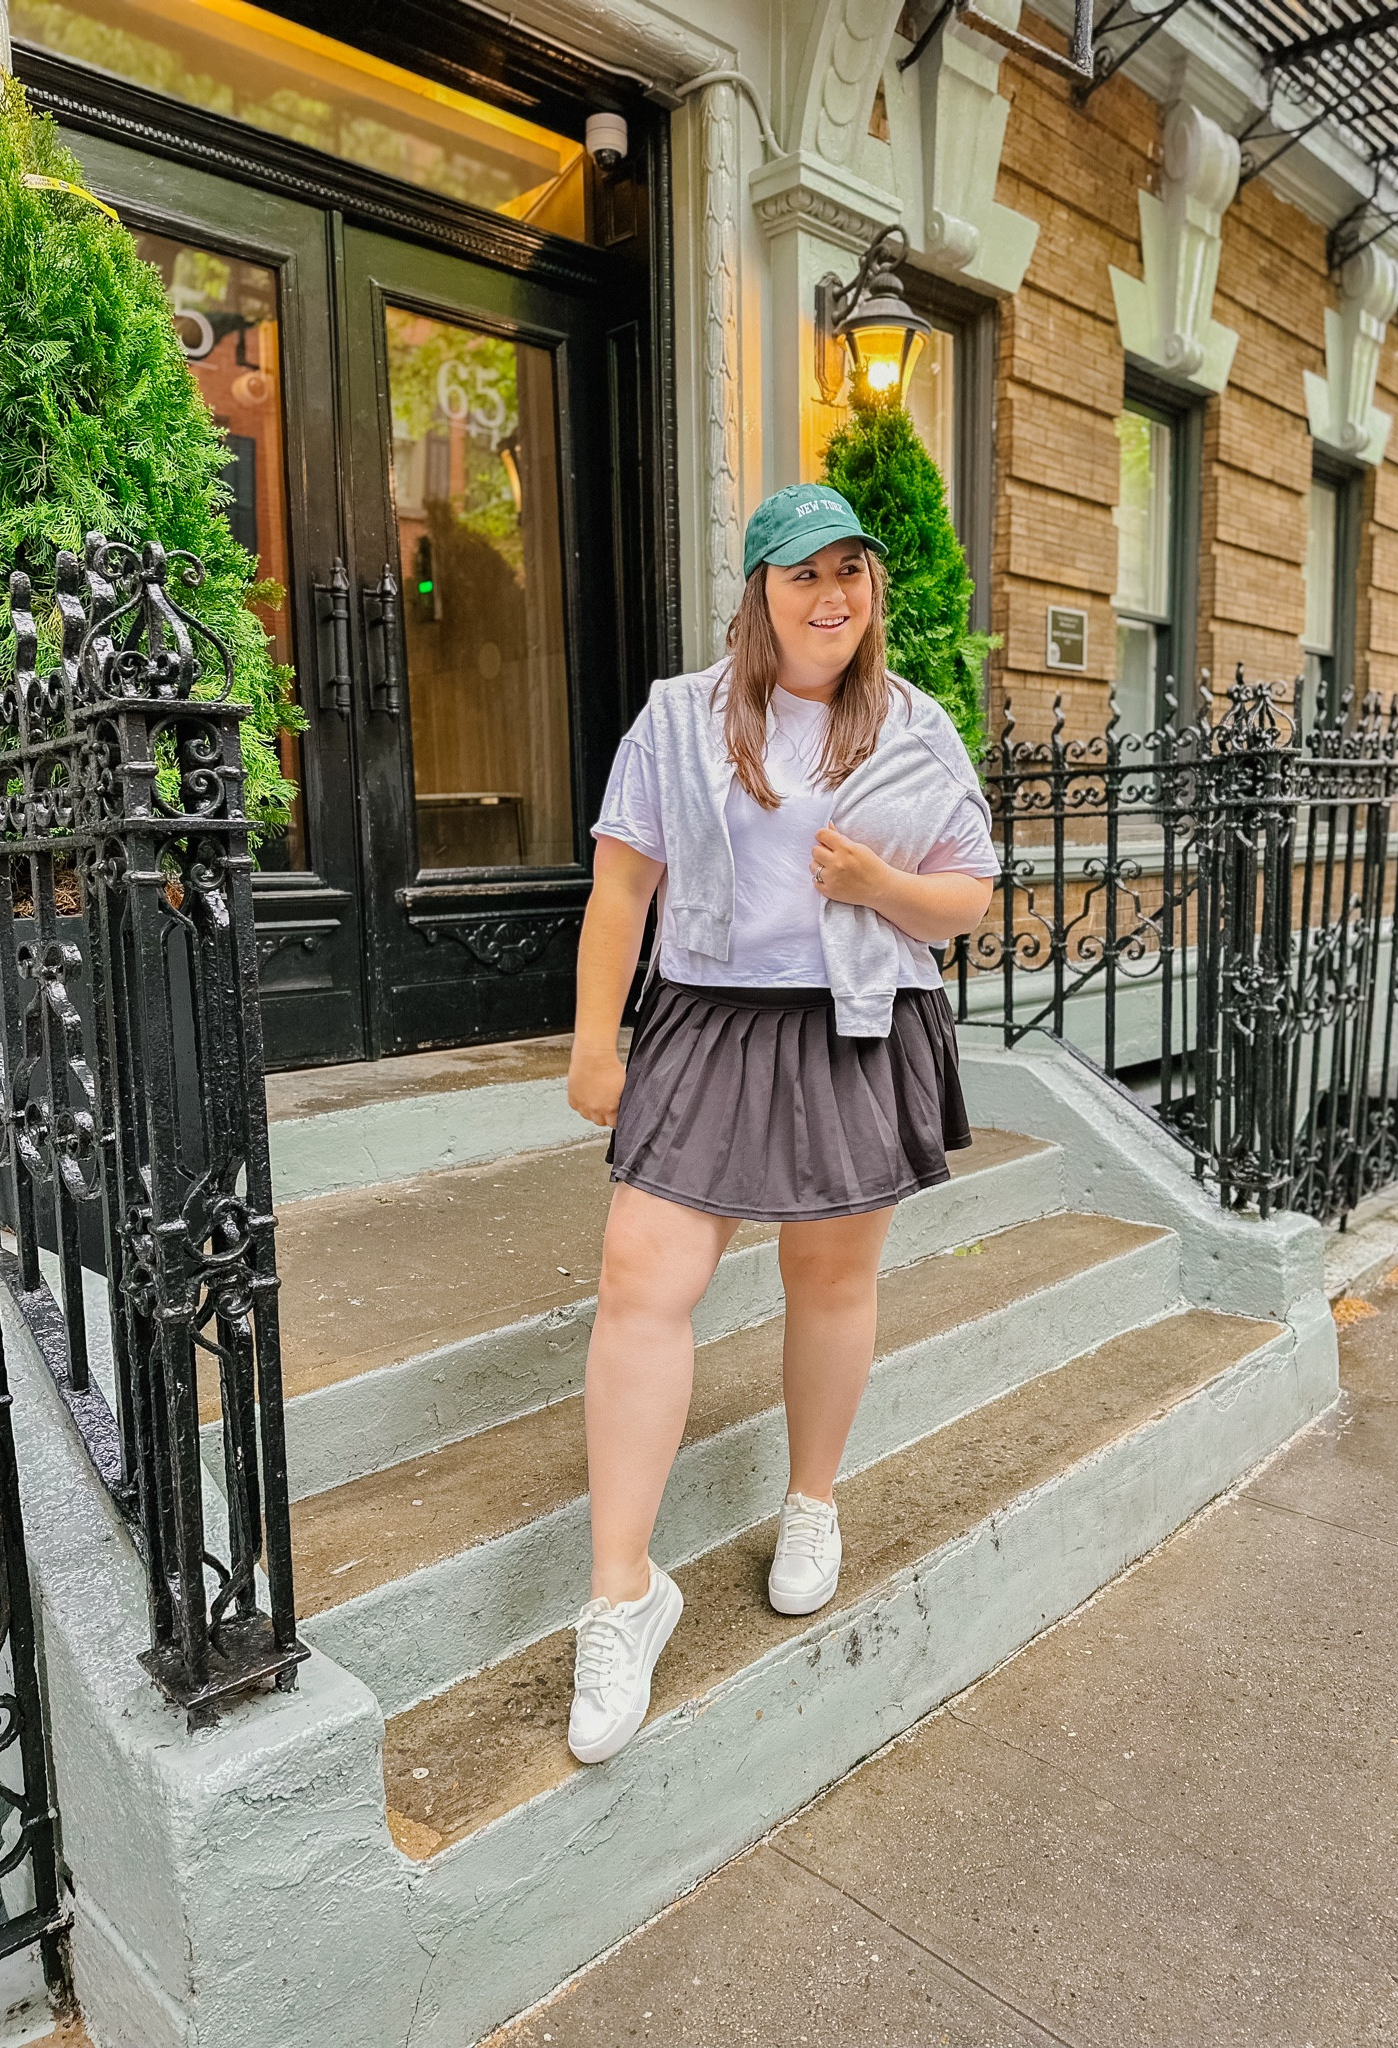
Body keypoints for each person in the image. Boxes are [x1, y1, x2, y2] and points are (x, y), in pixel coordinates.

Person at [564, 482, 997, 1764]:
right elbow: (620, 888)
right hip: (708, 1015)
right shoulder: (678, 719)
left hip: (855, 1019)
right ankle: (623, 1594)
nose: (832, 597)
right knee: (642, 1272)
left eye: (850, 573)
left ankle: (812, 1500)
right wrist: (597, 1041)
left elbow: (967, 896)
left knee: (829, 1271)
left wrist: (880, 884)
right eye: (803, 574)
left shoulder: (916, 725)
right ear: (758, 590)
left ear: (872, 592)